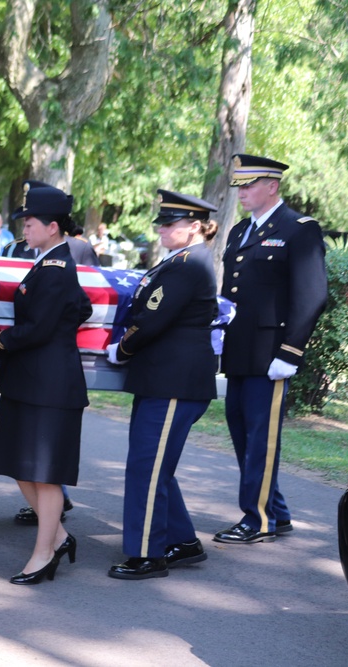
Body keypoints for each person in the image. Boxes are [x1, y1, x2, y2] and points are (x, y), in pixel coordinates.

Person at [105, 190, 220, 580]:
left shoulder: (189, 264)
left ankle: (147, 554)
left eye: (169, 223)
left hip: (174, 380)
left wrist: (122, 348)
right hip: (166, 377)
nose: (160, 229)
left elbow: (152, 317)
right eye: (161, 221)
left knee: (146, 468)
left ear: (193, 227)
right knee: (156, 466)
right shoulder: (183, 260)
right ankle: (183, 541)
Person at [215, 154, 327, 544]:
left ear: (272, 186)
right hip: (240, 351)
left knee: (261, 438)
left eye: (249, 185)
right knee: (243, 435)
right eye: (240, 187)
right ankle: (276, 512)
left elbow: (311, 296)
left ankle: (257, 519)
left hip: (271, 353)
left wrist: (290, 351)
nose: (242, 193)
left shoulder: (299, 229)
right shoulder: (240, 231)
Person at [0, 185, 91, 585]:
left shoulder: (56, 269)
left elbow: (36, 329)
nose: (24, 229)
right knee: (20, 467)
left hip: (49, 385)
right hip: (32, 382)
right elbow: (82, 307)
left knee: (44, 474)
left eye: (29, 223)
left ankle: (43, 554)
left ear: (51, 226)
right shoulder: (50, 265)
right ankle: (59, 538)